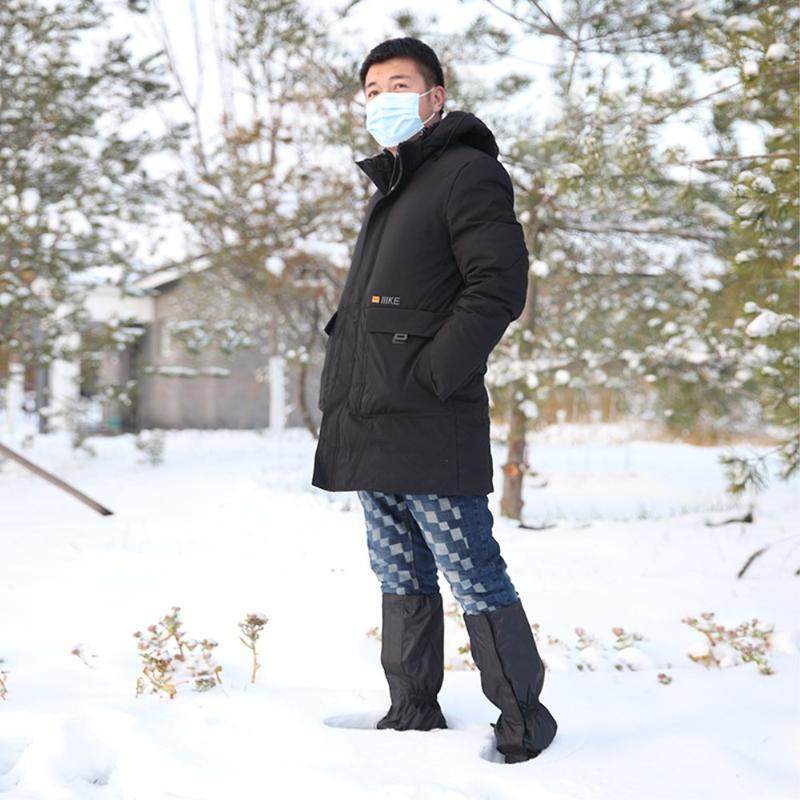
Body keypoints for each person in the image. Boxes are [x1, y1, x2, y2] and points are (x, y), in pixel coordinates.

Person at [311, 36, 558, 764]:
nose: (382, 99)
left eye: (398, 85)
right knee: (398, 571)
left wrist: (432, 375)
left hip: (427, 414)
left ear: (435, 97)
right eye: (372, 90)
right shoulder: (395, 184)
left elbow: (497, 286)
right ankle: (411, 710)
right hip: (373, 417)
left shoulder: (467, 173)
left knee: (470, 567)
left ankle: (524, 723)